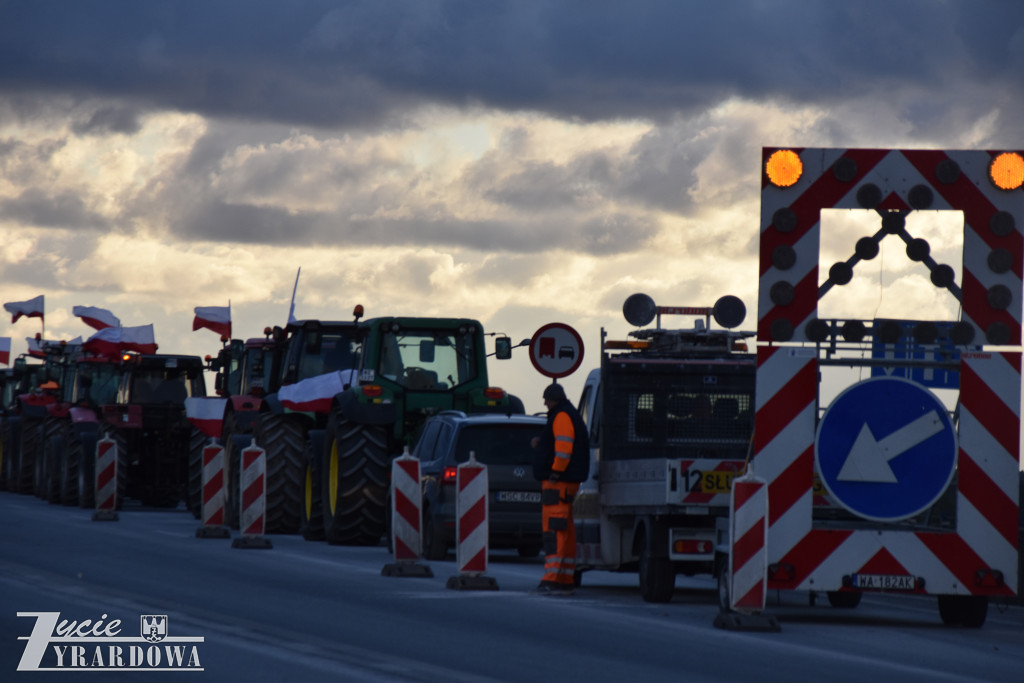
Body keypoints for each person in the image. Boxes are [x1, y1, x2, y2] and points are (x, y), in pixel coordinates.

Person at [531, 382, 589, 595]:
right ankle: (565, 578)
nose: (545, 404)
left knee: (554, 530)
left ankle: (552, 578)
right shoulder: (567, 414)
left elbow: (564, 447)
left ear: (553, 399)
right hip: (566, 483)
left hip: (559, 483)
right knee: (565, 530)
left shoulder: (562, 415)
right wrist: (542, 443)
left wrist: (556, 471)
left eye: (546, 400)